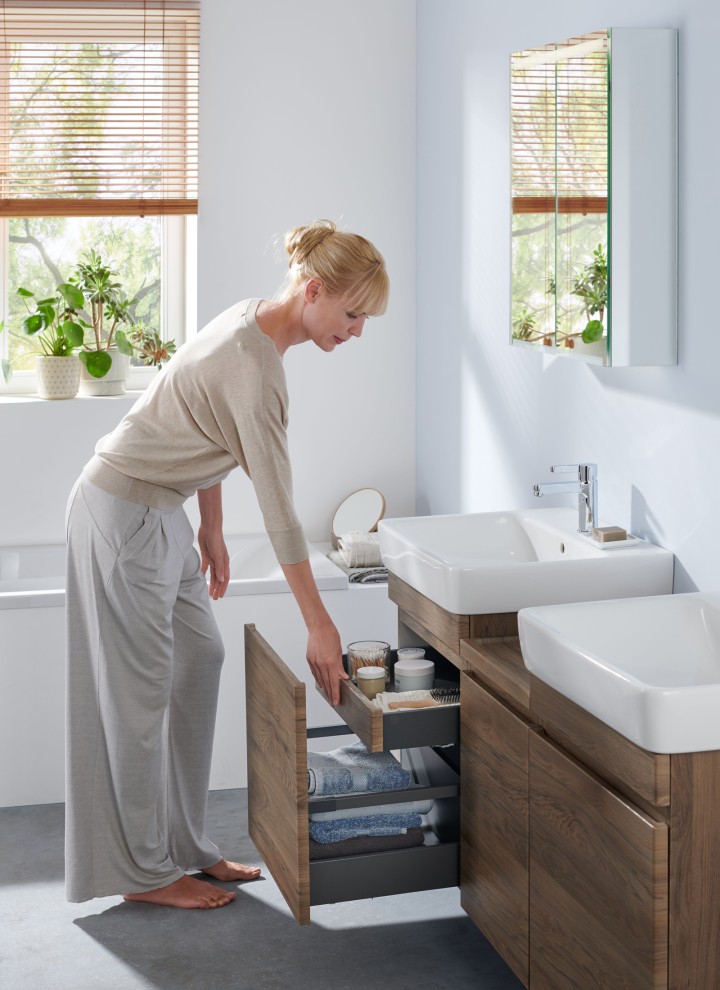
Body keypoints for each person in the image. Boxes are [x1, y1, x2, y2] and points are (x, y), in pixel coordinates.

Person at [65, 219, 390, 910]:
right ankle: (144, 874)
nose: (359, 331)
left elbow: (204, 418)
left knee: (200, 660)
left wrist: (210, 527)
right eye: (353, 314)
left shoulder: (253, 321)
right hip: (125, 513)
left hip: (163, 512)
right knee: (139, 699)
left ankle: (183, 845)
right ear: (314, 291)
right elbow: (279, 510)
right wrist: (319, 624)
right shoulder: (256, 366)